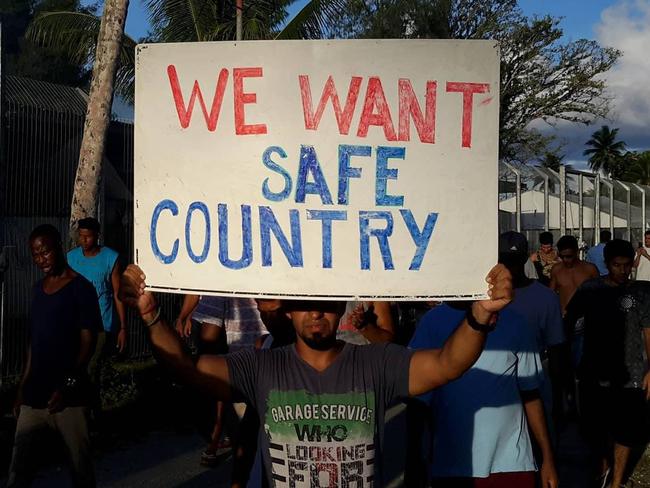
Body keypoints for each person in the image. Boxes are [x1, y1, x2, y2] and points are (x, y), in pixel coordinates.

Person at [119, 263, 512, 486]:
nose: (315, 312)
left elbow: (448, 364)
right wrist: (151, 316)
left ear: (341, 307)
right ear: (287, 310)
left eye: (324, 302)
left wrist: (478, 317)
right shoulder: (262, 366)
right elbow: (186, 369)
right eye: (303, 303)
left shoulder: (376, 363)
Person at [408, 234, 558, 488]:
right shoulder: (431, 323)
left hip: (513, 463)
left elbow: (530, 394)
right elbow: (417, 404)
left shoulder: (516, 322)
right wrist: (413, 460)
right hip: (451, 464)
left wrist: (547, 458)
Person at [9, 224, 102, 488]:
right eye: (36, 255)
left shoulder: (81, 289)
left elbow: (88, 342)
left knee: (81, 472)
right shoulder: (38, 289)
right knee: (18, 472)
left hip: (69, 399)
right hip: (34, 396)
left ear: (59, 247)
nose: (41, 260)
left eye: (46, 252)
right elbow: (33, 343)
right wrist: (21, 388)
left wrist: (67, 384)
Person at [565, 239, 650, 488]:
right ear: (606, 264)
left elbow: (648, 332)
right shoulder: (590, 289)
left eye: (627, 266)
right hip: (594, 372)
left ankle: (617, 481)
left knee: (625, 432)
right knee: (596, 430)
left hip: (630, 375)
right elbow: (569, 322)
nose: (623, 271)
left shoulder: (641, 292)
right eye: (616, 265)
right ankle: (603, 469)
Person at [499, 232, 565, 432]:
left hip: (534, 387)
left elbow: (556, 351)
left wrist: (557, 400)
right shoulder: (484, 297)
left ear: (525, 257)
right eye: (506, 260)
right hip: (496, 391)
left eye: (515, 260)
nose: (510, 266)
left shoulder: (546, 298)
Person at [67, 217, 127, 353]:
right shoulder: (71, 258)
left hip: (102, 324)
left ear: (97, 236)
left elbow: (118, 294)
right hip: (76, 323)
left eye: (88, 236)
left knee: (94, 366)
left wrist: (123, 327)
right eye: (81, 236)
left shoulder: (110, 258)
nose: (83, 240)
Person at [550, 235, 599, 313]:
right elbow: (550, 296)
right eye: (562, 257)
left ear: (577, 252)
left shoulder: (590, 269)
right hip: (564, 317)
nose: (565, 260)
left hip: (585, 318)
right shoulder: (556, 270)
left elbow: (599, 296)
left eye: (569, 256)